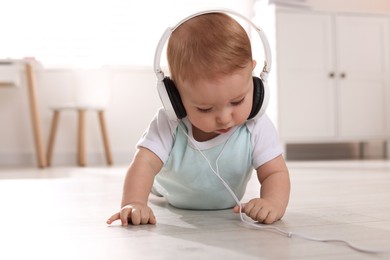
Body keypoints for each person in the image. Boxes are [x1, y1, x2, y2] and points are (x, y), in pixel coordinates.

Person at [106, 11, 290, 226]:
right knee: (152, 180)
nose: (224, 118)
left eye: (237, 101)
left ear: (254, 77)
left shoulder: (256, 126)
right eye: (205, 109)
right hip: (169, 191)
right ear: (175, 97)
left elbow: (274, 172)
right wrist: (134, 202)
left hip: (223, 203)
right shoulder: (170, 123)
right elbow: (144, 162)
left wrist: (272, 202)